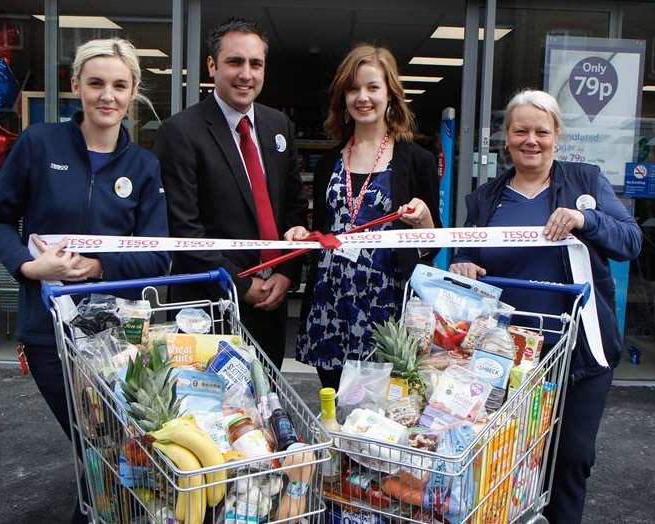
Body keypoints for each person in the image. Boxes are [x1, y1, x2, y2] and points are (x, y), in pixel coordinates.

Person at [0, 38, 170, 523]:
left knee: (113, 446)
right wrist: (27, 266)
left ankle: (102, 512)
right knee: (96, 440)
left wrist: (99, 267)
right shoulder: (39, 145)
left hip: (120, 335)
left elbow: (157, 257)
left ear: (132, 93)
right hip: (49, 329)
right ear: (76, 86)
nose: (108, 95)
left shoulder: (143, 167)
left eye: (119, 86)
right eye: (97, 83)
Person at [449, 89, 641, 524]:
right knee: (510, 459)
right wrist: (462, 264)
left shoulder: (585, 181)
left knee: (573, 456)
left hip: (580, 352)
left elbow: (629, 240)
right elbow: (465, 254)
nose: (530, 140)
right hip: (509, 357)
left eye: (541, 130)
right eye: (520, 131)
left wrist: (584, 220)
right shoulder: (485, 198)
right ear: (506, 137)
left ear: (557, 135)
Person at [154, 18, 307, 370]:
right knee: (208, 416)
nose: (246, 74)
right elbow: (184, 228)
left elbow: (295, 209)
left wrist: (287, 274)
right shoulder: (180, 132)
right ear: (212, 65)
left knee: (266, 408)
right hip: (208, 308)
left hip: (272, 304)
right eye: (235, 62)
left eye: (256, 64)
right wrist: (239, 283)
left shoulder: (277, 125)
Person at [286, 45, 441, 389]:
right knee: (334, 410)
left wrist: (425, 220)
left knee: (384, 420)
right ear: (343, 98)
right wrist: (303, 234)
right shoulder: (329, 163)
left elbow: (433, 245)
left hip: (387, 311)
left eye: (373, 87)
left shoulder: (417, 161)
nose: (363, 97)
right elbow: (322, 235)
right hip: (331, 306)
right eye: (353, 89)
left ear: (390, 95)